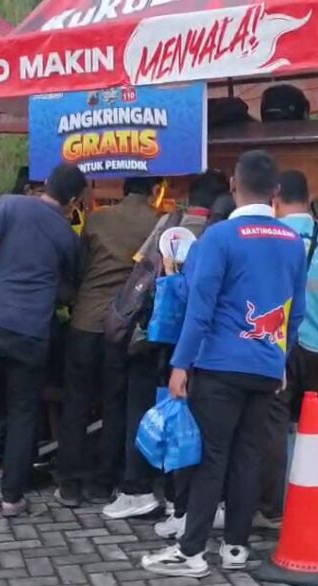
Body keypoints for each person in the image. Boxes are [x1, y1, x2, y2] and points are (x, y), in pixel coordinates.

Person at [141, 150, 307, 577]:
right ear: (275, 192)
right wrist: (280, 361)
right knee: (248, 457)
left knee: (210, 457)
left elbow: (199, 308)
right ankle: (236, 547)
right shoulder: (293, 243)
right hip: (266, 366)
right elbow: (297, 313)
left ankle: (191, 551)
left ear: (234, 186)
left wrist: (181, 364)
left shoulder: (218, 238)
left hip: (218, 365)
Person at [0, 163, 86, 518]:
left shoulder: (8, 205)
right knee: (23, 411)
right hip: (31, 334)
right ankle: (11, 499)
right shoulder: (69, 237)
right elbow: (67, 291)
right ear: (73, 201)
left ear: (45, 184)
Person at [102, 171, 232, 521]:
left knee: (143, 411)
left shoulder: (170, 223)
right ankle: (180, 500)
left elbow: (143, 271)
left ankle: (138, 489)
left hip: (155, 339)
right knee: (192, 420)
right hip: (202, 346)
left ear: (191, 196)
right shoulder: (224, 234)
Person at [54, 176, 170, 508]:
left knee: (76, 402)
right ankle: (103, 482)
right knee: (115, 404)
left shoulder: (97, 219)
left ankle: (69, 483)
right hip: (124, 326)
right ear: (154, 191)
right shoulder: (159, 223)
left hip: (86, 320)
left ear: (123, 190)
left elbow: (79, 267)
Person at [255, 169, 318, 527]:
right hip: (317, 345)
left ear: (275, 197)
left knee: (272, 426)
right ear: (310, 198)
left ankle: (272, 507)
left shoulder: (269, 235)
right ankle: (304, 492)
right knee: (301, 423)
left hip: (278, 345)